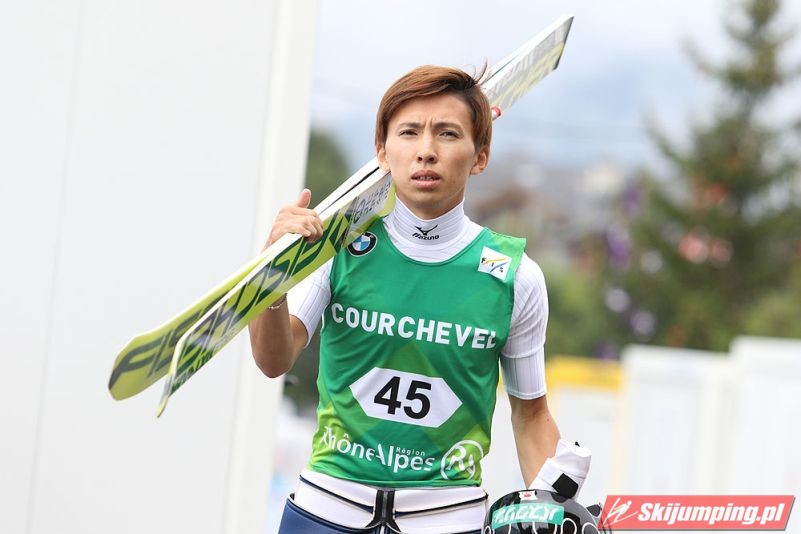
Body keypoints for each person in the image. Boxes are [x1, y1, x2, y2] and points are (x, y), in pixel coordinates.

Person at [249, 65, 561, 534]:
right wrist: (271, 276)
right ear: (382, 151)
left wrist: (554, 507)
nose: (426, 151)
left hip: (447, 519)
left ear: (480, 156)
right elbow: (273, 359)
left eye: (447, 133)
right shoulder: (338, 250)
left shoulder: (517, 277)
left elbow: (531, 414)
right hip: (326, 510)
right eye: (409, 132)